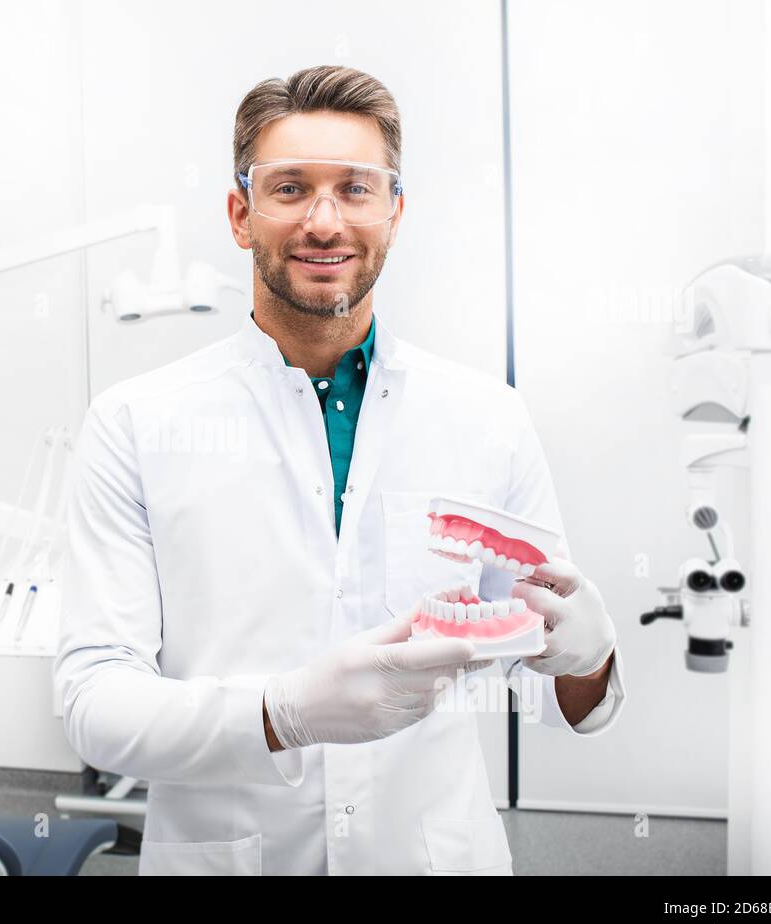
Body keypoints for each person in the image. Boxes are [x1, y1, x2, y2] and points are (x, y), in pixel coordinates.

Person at [54, 64, 624, 875]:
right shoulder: (135, 423)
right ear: (239, 215)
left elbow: (558, 675)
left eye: (356, 189)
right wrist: (279, 713)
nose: (325, 221)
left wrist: (587, 654)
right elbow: (93, 704)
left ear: (394, 210)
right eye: (289, 188)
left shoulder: (488, 417)